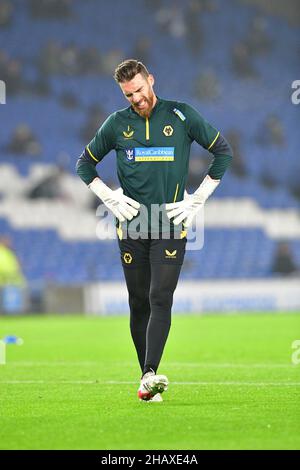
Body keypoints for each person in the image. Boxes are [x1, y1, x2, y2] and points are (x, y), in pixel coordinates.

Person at [76, 60, 233, 402]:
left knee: (160, 297)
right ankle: (146, 377)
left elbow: (222, 151)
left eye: (140, 90)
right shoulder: (117, 124)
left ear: (151, 81)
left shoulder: (181, 115)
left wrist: (198, 198)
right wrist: (109, 196)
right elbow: (84, 164)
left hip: (171, 225)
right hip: (130, 226)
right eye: (129, 94)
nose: (136, 99)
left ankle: (150, 374)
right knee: (138, 302)